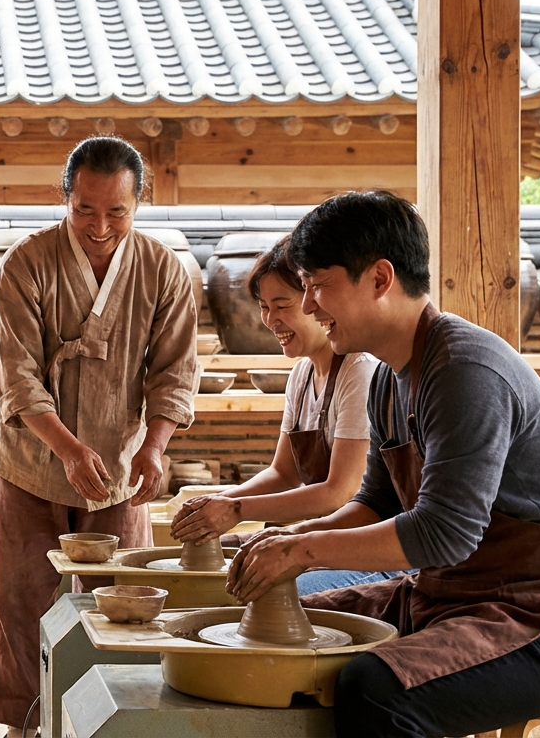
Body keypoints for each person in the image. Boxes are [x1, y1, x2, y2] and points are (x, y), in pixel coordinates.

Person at [226, 190, 540, 736]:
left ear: (380, 279)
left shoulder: (463, 369)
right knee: (278, 633)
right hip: (461, 593)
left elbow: (445, 533)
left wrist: (305, 547)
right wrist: (289, 543)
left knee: (373, 689)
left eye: (318, 286)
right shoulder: (388, 375)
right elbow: (376, 503)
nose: (309, 306)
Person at [0, 136, 198, 737]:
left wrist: (154, 446)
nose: (100, 226)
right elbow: (15, 377)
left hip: (119, 462)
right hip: (31, 454)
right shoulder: (26, 263)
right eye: (85, 209)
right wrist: (67, 448)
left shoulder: (163, 270)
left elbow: (175, 371)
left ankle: (108, 715)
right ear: (65, 197)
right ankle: (25, 720)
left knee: (122, 597)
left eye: (117, 211)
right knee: (23, 596)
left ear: (140, 203)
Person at [170, 237, 397, 595]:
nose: (270, 320)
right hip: (321, 539)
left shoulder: (360, 370)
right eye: (264, 307)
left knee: (274, 591)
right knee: (224, 565)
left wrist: (237, 510)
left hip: (371, 549)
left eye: (282, 305)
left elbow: (339, 492)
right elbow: (284, 473)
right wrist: (222, 504)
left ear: (316, 300)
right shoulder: (302, 376)